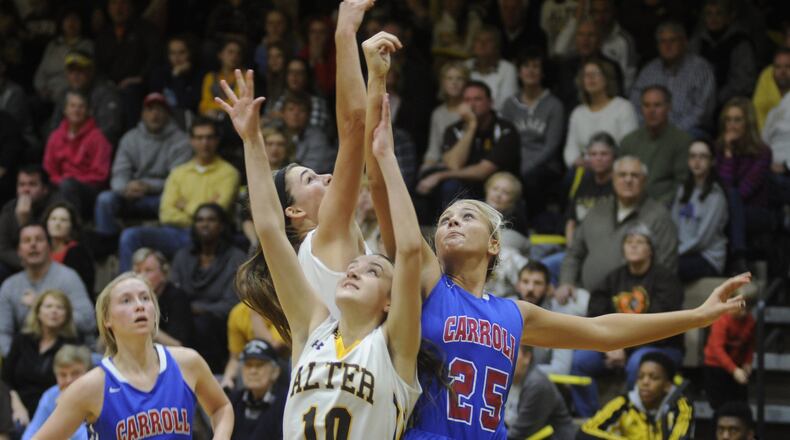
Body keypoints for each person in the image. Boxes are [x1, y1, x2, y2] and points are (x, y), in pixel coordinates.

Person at [362, 31, 750, 440]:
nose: (451, 222)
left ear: (495, 243)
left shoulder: (515, 314)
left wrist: (698, 315)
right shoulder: (427, 283)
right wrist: (376, 79)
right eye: (444, 220)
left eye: (467, 216)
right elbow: (383, 189)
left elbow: (603, 332)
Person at [218, 63, 423, 440]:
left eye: (373, 270)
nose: (354, 270)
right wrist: (251, 140)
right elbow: (268, 228)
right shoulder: (311, 328)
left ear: (392, 302)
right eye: (354, 267)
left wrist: (387, 159)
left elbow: (410, 251)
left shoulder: (395, 347)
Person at [235, 3, 387, 326]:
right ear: (295, 211)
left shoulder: (294, 269)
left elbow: (266, 223)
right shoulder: (328, 233)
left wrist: (252, 140)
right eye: (310, 179)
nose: (328, 176)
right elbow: (355, 127)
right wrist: (344, 32)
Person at [30, 272, 234, 439]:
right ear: (107, 319)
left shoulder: (187, 362)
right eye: (126, 300)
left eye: (145, 298)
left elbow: (221, 407)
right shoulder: (92, 386)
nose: (139, 305)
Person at [570, 224, 685, 416]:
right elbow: (595, 312)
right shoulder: (614, 277)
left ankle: (631, 420)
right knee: (580, 360)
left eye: (640, 242)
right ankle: (590, 420)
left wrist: (623, 346)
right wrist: (607, 345)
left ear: (651, 250)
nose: (633, 246)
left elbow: (660, 326)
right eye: (629, 242)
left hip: (661, 346)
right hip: (615, 345)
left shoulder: (665, 279)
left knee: (639, 365)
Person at [117, 117, 240, 272]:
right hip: (175, 233)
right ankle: (125, 287)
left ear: (216, 140)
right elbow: (166, 214)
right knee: (131, 236)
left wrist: (185, 206)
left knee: (208, 226)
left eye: (209, 137)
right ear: (191, 140)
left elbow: (216, 214)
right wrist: (200, 212)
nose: (205, 143)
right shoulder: (178, 172)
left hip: (210, 236)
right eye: (199, 138)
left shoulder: (229, 173)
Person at [557, 156, 678, 298]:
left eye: (634, 175)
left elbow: (666, 267)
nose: (628, 180)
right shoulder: (597, 210)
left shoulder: (659, 216)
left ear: (644, 181)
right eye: (622, 175)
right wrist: (566, 282)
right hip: (587, 298)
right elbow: (574, 253)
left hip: (635, 303)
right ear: (613, 179)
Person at [93, 92, 192, 248]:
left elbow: (178, 180)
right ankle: (108, 247)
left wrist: (148, 186)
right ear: (142, 114)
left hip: (161, 196)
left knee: (173, 202)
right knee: (104, 200)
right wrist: (125, 188)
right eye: (150, 109)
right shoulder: (130, 138)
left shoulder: (181, 141)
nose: (154, 114)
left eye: (159, 110)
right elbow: (119, 173)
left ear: (167, 114)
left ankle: (163, 243)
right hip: (131, 195)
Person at [415, 81, 520, 217]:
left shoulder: (505, 130)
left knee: (498, 189)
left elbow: (483, 171)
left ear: (490, 102)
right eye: (467, 100)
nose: (472, 104)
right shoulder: (454, 130)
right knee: (449, 186)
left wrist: (440, 175)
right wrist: (471, 126)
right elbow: (454, 165)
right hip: (465, 187)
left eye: (477, 99)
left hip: (496, 188)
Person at [169, 203, 246, 372]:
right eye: (200, 220)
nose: (205, 224)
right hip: (185, 319)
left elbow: (234, 303)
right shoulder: (182, 256)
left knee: (204, 324)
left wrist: (200, 309)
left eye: (211, 220)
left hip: (219, 324)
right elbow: (172, 293)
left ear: (222, 226)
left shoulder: (236, 258)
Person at [0, 224, 93, 356]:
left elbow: (88, 321)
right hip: (28, 359)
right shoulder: (9, 286)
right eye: (27, 241)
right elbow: (3, 332)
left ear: (49, 247)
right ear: (19, 250)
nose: (33, 245)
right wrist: (14, 361)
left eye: (39, 239)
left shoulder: (68, 277)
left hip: (71, 357)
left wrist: (39, 304)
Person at [500, 49, 565, 220]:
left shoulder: (554, 105)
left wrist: (526, 167)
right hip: (515, 162)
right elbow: (504, 139)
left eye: (536, 67)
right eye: (526, 66)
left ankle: (535, 226)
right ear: (519, 72)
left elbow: (552, 145)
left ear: (543, 73)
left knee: (531, 179)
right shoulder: (509, 104)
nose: (530, 71)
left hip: (545, 166)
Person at [2, 290, 79, 430]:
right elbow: (6, 380)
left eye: (60, 307)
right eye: (48, 306)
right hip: (15, 407)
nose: (54, 311)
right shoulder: (22, 340)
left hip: (52, 410)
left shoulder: (73, 345)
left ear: (67, 314)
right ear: (37, 311)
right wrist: (17, 407)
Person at [578, 352, 694, 439]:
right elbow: (586, 432)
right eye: (640, 376)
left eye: (654, 378)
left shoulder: (681, 407)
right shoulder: (624, 403)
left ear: (667, 385)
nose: (645, 382)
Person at [630, 21, 717, 136]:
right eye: (663, 41)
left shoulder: (700, 69)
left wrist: (672, 134)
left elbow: (702, 112)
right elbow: (635, 105)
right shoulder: (648, 71)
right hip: (651, 131)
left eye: (672, 41)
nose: (667, 46)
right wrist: (648, 128)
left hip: (688, 132)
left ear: (684, 42)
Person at [716, 98, 773, 258]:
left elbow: (743, 192)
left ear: (748, 123)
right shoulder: (719, 148)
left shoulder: (762, 152)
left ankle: (738, 253)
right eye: (728, 120)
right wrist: (727, 151)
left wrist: (729, 155)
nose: (731, 125)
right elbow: (719, 190)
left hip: (755, 210)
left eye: (737, 120)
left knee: (733, 196)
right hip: (724, 208)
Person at [43, 90, 112, 220]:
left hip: (88, 190)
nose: (76, 110)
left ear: (88, 111)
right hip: (60, 185)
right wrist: (62, 181)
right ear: (65, 110)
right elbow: (49, 169)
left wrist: (71, 181)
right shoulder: (55, 136)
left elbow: (100, 175)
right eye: (72, 106)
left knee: (67, 188)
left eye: (81, 106)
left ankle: (74, 229)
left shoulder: (98, 138)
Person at [621, 85, 692, 205]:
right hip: (631, 206)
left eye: (657, 105)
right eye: (646, 105)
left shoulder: (682, 141)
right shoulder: (629, 141)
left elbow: (681, 184)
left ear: (668, 107)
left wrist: (656, 209)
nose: (651, 111)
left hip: (666, 209)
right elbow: (620, 179)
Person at [515, 262, 588, 376]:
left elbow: (561, 369)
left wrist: (521, 371)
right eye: (525, 282)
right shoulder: (505, 311)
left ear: (548, 289)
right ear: (517, 286)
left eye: (537, 283)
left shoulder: (558, 317)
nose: (530, 288)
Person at [564, 58, 638, 169]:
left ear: (607, 79)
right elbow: (570, 149)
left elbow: (630, 148)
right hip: (585, 170)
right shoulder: (577, 113)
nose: (590, 78)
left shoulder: (623, 107)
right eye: (586, 75)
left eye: (596, 74)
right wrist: (576, 162)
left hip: (616, 171)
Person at [672, 139, 729, 282]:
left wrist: (675, 253)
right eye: (693, 156)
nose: (697, 161)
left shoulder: (716, 196)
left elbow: (702, 240)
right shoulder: (683, 190)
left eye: (703, 156)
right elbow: (673, 225)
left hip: (708, 257)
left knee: (669, 266)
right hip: (683, 253)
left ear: (712, 161)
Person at [553, 0, 638, 89]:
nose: (600, 17)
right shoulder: (583, 33)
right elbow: (559, 50)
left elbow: (628, 80)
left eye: (605, 11)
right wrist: (576, 17)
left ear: (613, 12)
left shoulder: (624, 41)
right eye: (595, 12)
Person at [689, 0, 757, 108]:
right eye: (709, 13)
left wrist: (716, 98)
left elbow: (744, 83)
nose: (713, 18)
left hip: (731, 105)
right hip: (699, 104)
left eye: (719, 13)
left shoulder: (740, 43)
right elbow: (688, 75)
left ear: (729, 17)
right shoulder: (697, 42)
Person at [49, 50, 123, 145]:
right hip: (68, 149)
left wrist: (80, 147)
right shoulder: (65, 94)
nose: (75, 75)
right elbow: (54, 127)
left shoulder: (106, 93)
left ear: (91, 71)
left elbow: (109, 131)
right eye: (71, 70)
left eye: (80, 70)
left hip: (96, 151)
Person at [504, 344, 576, 440]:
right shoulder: (510, 381)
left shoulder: (538, 385)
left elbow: (518, 435)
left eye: (511, 354)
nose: (505, 360)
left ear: (527, 357)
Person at [21, 344, 91, 440]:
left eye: (75, 373)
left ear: (88, 373)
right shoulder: (50, 396)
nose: (68, 380)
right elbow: (31, 433)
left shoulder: (97, 396)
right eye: (63, 375)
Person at [0, 166, 57, 281]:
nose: (26, 189)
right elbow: (3, 248)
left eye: (32, 184)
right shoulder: (9, 209)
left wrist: (25, 222)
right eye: (22, 185)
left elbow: (51, 246)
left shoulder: (54, 209)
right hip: (18, 264)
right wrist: (26, 262)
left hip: (48, 265)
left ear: (44, 189)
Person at [704, 293, 756, 411]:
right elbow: (717, 349)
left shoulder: (749, 321)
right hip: (716, 366)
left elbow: (749, 345)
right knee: (720, 407)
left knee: (740, 404)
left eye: (747, 309)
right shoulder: (722, 319)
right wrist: (734, 370)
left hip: (736, 365)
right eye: (740, 307)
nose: (743, 312)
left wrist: (748, 362)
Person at [132, 248, 193, 347]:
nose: (141, 276)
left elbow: (178, 346)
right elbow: (102, 345)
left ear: (164, 273)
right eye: (137, 271)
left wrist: (148, 328)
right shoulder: (132, 298)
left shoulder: (177, 298)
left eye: (148, 270)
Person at [228, 339, 287, 440]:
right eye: (248, 365)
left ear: (275, 372)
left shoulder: (286, 403)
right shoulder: (232, 401)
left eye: (259, 365)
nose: (253, 371)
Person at [33, 11, 94, 104]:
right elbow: (41, 71)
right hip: (48, 94)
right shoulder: (53, 45)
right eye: (67, 19)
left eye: (75, 19)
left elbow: (90, 74)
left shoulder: (88, 45)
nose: (71, 23)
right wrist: (41, 89)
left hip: (73, 93)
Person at [221, 302, 285, 390]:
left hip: (281, 360)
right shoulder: (237, 312)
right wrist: (227, 378)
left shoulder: (280, 305)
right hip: (251, 358)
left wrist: (255, 314)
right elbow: (235, 357)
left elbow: (271, 348)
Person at [422, 62, 468, 172]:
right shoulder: (438, 113)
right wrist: (425, 169)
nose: (454, 83)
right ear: (443, 82)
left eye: (459, 78)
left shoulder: (470, 110)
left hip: (464, 167)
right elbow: (434, 149)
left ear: (466, 83)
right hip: (442, 166)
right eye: (449, 78)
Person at [43, 202, 95, 298]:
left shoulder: (77, 252)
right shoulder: (42, 251)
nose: (57, 224)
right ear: (46, 223)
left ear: (72, 226)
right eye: (53, 219)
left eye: (63, 220)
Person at [148, 34, 204, 121]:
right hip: (162, 118)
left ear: (190, 53)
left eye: (182, 52)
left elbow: (185, 105)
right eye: (172, 53)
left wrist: (177, 77)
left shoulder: (198, 75)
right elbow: (154, 102)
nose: (177, 57)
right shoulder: (160, 73)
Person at [464, 26, 518, 111]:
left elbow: (507, 104)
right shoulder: (465, 66)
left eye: (488, 41)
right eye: (478, 40)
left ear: (497, 46)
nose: (482, 44)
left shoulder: (508, 69)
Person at [199, 38, 244, 120]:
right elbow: (204, 104)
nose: (234, 56)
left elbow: (237, 103)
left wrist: (214, 108)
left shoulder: (243, 76)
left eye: (238, 53)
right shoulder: (210, 77)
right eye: (230, 52)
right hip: (212, 117)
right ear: (220, 55)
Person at [753, 46, 790, 131]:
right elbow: (758, 111)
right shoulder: (767, 75)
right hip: (770, 138)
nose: (782, 71)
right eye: (778, 67)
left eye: (788, 66)